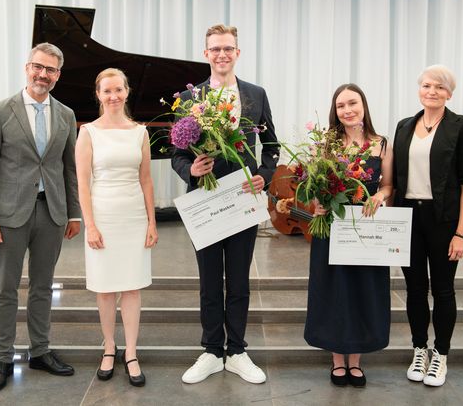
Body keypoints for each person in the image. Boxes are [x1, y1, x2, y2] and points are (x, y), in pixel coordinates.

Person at [172, 24, 279, 385]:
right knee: (208, 280)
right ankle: (211, 351)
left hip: (243, 199)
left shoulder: (255, 94)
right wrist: (192, 168)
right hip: (203, 198)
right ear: (206, 54)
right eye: (215, 49)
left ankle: (237, 351)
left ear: (237, 52)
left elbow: (273, 144)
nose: (221, 54)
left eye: (228, 48)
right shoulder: (188, 99)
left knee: (238, 278)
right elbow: (176, 154)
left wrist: (266, 173)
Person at [0, 43, 81, 394]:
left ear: (58, 75)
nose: (43, 75)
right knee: (5, 289)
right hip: (7, 215)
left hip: (51, 212)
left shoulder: (65, 115)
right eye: (38, 67)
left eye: (50, 70)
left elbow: (69, 170)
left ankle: (40, 351)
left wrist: (75, 212)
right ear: (27, 67)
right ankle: (3, 357)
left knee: (42, 287)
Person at [392, 64, 463, 387]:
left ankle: (440, 354)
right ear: (419, 89)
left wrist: (462, 232)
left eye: (439, 87)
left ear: (449, 94)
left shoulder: (461, 127)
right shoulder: (404, 126)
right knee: (414, 289)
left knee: (443, 290)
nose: (432, 91)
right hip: (408, 218)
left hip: (444, 221)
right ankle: (420, 348)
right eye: (427, 85)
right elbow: (394, 178)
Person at [305, 84, 394, 388]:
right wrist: (317, 203)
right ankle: (336, 360)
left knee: (361, 289)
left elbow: (388, 186)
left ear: (364, 105)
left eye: (352, 103)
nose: (347, 110)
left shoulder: (381, 144)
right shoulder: (325, 145)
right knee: (333, 289)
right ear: (336, 111)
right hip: (332, 227)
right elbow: (313, 189)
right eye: (341, 106)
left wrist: (379, 197)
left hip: (365, 228)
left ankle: (355, 361)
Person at [75, 68, 157, 387]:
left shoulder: (140, 131)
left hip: (134, 216)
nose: (113, 96)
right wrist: (90, 225)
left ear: (127, 91)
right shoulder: (88, 132)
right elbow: (83, 184)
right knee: (106, 288)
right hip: (103, 216)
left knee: (132, 287)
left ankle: (132, 352)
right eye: (107, 91)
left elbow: (146, 179)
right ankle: (109, 347)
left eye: (118, 90)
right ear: (98, 94)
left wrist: (152, 222)